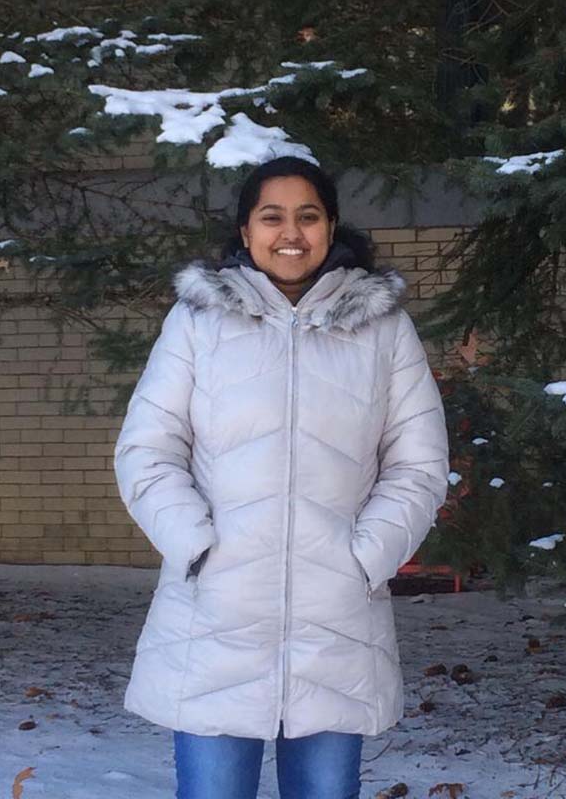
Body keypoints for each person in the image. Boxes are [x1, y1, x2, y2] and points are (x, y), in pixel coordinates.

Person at [113, 155, 450, 799]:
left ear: (331, 227)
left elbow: (419, 464)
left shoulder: (382, 329)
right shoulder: (198, 322)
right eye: (272, 217)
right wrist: (198, 546)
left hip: (336, 624)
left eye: (307, 216)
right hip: (214, 621)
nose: (290, 232)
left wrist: (365, 558)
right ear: (246, 231)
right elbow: (148, 451)